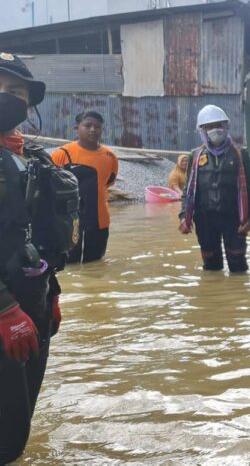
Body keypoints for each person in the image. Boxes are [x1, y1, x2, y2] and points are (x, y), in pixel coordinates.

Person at [0, 52, 78, 464]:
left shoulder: (35, 159)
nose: (6, 98)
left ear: (29, 103)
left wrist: (53, 294)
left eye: (16, 92)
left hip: (33, 304)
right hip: (4, 310)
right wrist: (5, 310)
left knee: (21, 422)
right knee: (8, 437)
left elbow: (43, 237)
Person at [177, 105, 250, 274]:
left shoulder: (240, 154)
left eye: (218, 125)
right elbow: (188, 191)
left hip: (234, 218)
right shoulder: (195, 156)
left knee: (238, 265)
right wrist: (184, 216)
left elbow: (249, 189)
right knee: (211, 266)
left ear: (226, 126)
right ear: (202, 131)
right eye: (209, 127)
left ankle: (238, 291)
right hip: (205, 219)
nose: (215, 130)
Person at [51, 111, 118, 263]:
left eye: (97, 126)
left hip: (99, 220)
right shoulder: (62, 154)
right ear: (77, 128)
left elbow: (107, 182)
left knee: (96, 263)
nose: (93, 130)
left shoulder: (110, 156)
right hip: (68, 220)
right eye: (88, 126)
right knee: (68, 263)